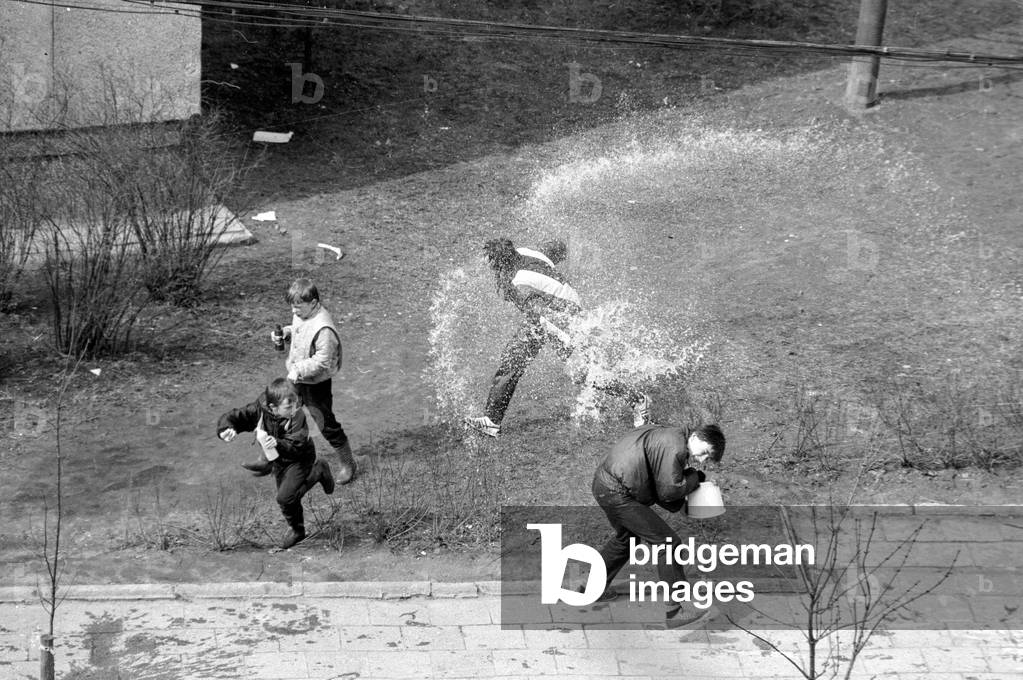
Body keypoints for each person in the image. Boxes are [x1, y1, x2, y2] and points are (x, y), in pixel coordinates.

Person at [464, 238, 650, 438]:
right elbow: (556, 250)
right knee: (512, 359)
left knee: (582, 373)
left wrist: (565, 336)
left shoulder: (519, 283)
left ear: (503, 263)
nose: (493, 271)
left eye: (494, 265)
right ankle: (491, 422)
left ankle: (638, 400)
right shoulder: (526, 252)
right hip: (560, 308)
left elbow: (541, 312)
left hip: (560, 320)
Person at [590, 423, 726, 628]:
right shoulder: (677, 447)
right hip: (619, 492)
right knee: (668, 544)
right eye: (705, 452)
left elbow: (659, 481)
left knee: (627, 539)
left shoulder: (670, 435)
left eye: (708, 458)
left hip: (605, 485)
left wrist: (692, 483)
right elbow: (669, 491)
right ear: (697, 436)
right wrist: (695, 478)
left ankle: (593, 588)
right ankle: (677, 610)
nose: (703, 459)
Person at [217, 378, 334, 550]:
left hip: (300, 458)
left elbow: (297, 446)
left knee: (284, 498)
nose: (294, 409)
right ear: (273, 407)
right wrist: (226, 429)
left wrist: (277, 443)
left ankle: (298, 530)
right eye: (288, 407)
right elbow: (235, 417)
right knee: (289, 498)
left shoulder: (298, 416)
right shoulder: (260, 409)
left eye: (296, 404)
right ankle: (318, 475)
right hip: (279, 460)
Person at [265, 279, 357, 484]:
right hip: (297, 377)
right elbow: (300, 330)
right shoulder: (302, 313)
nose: (294, 311)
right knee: (283, 413)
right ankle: (277, 458)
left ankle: (348, 463)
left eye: (298, 307)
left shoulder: (324, 329)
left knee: (325, 424)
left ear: (314, 302)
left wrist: (298, 369)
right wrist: (287, 332)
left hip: (316, 384)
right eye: (292, 307)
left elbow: (323, 361)